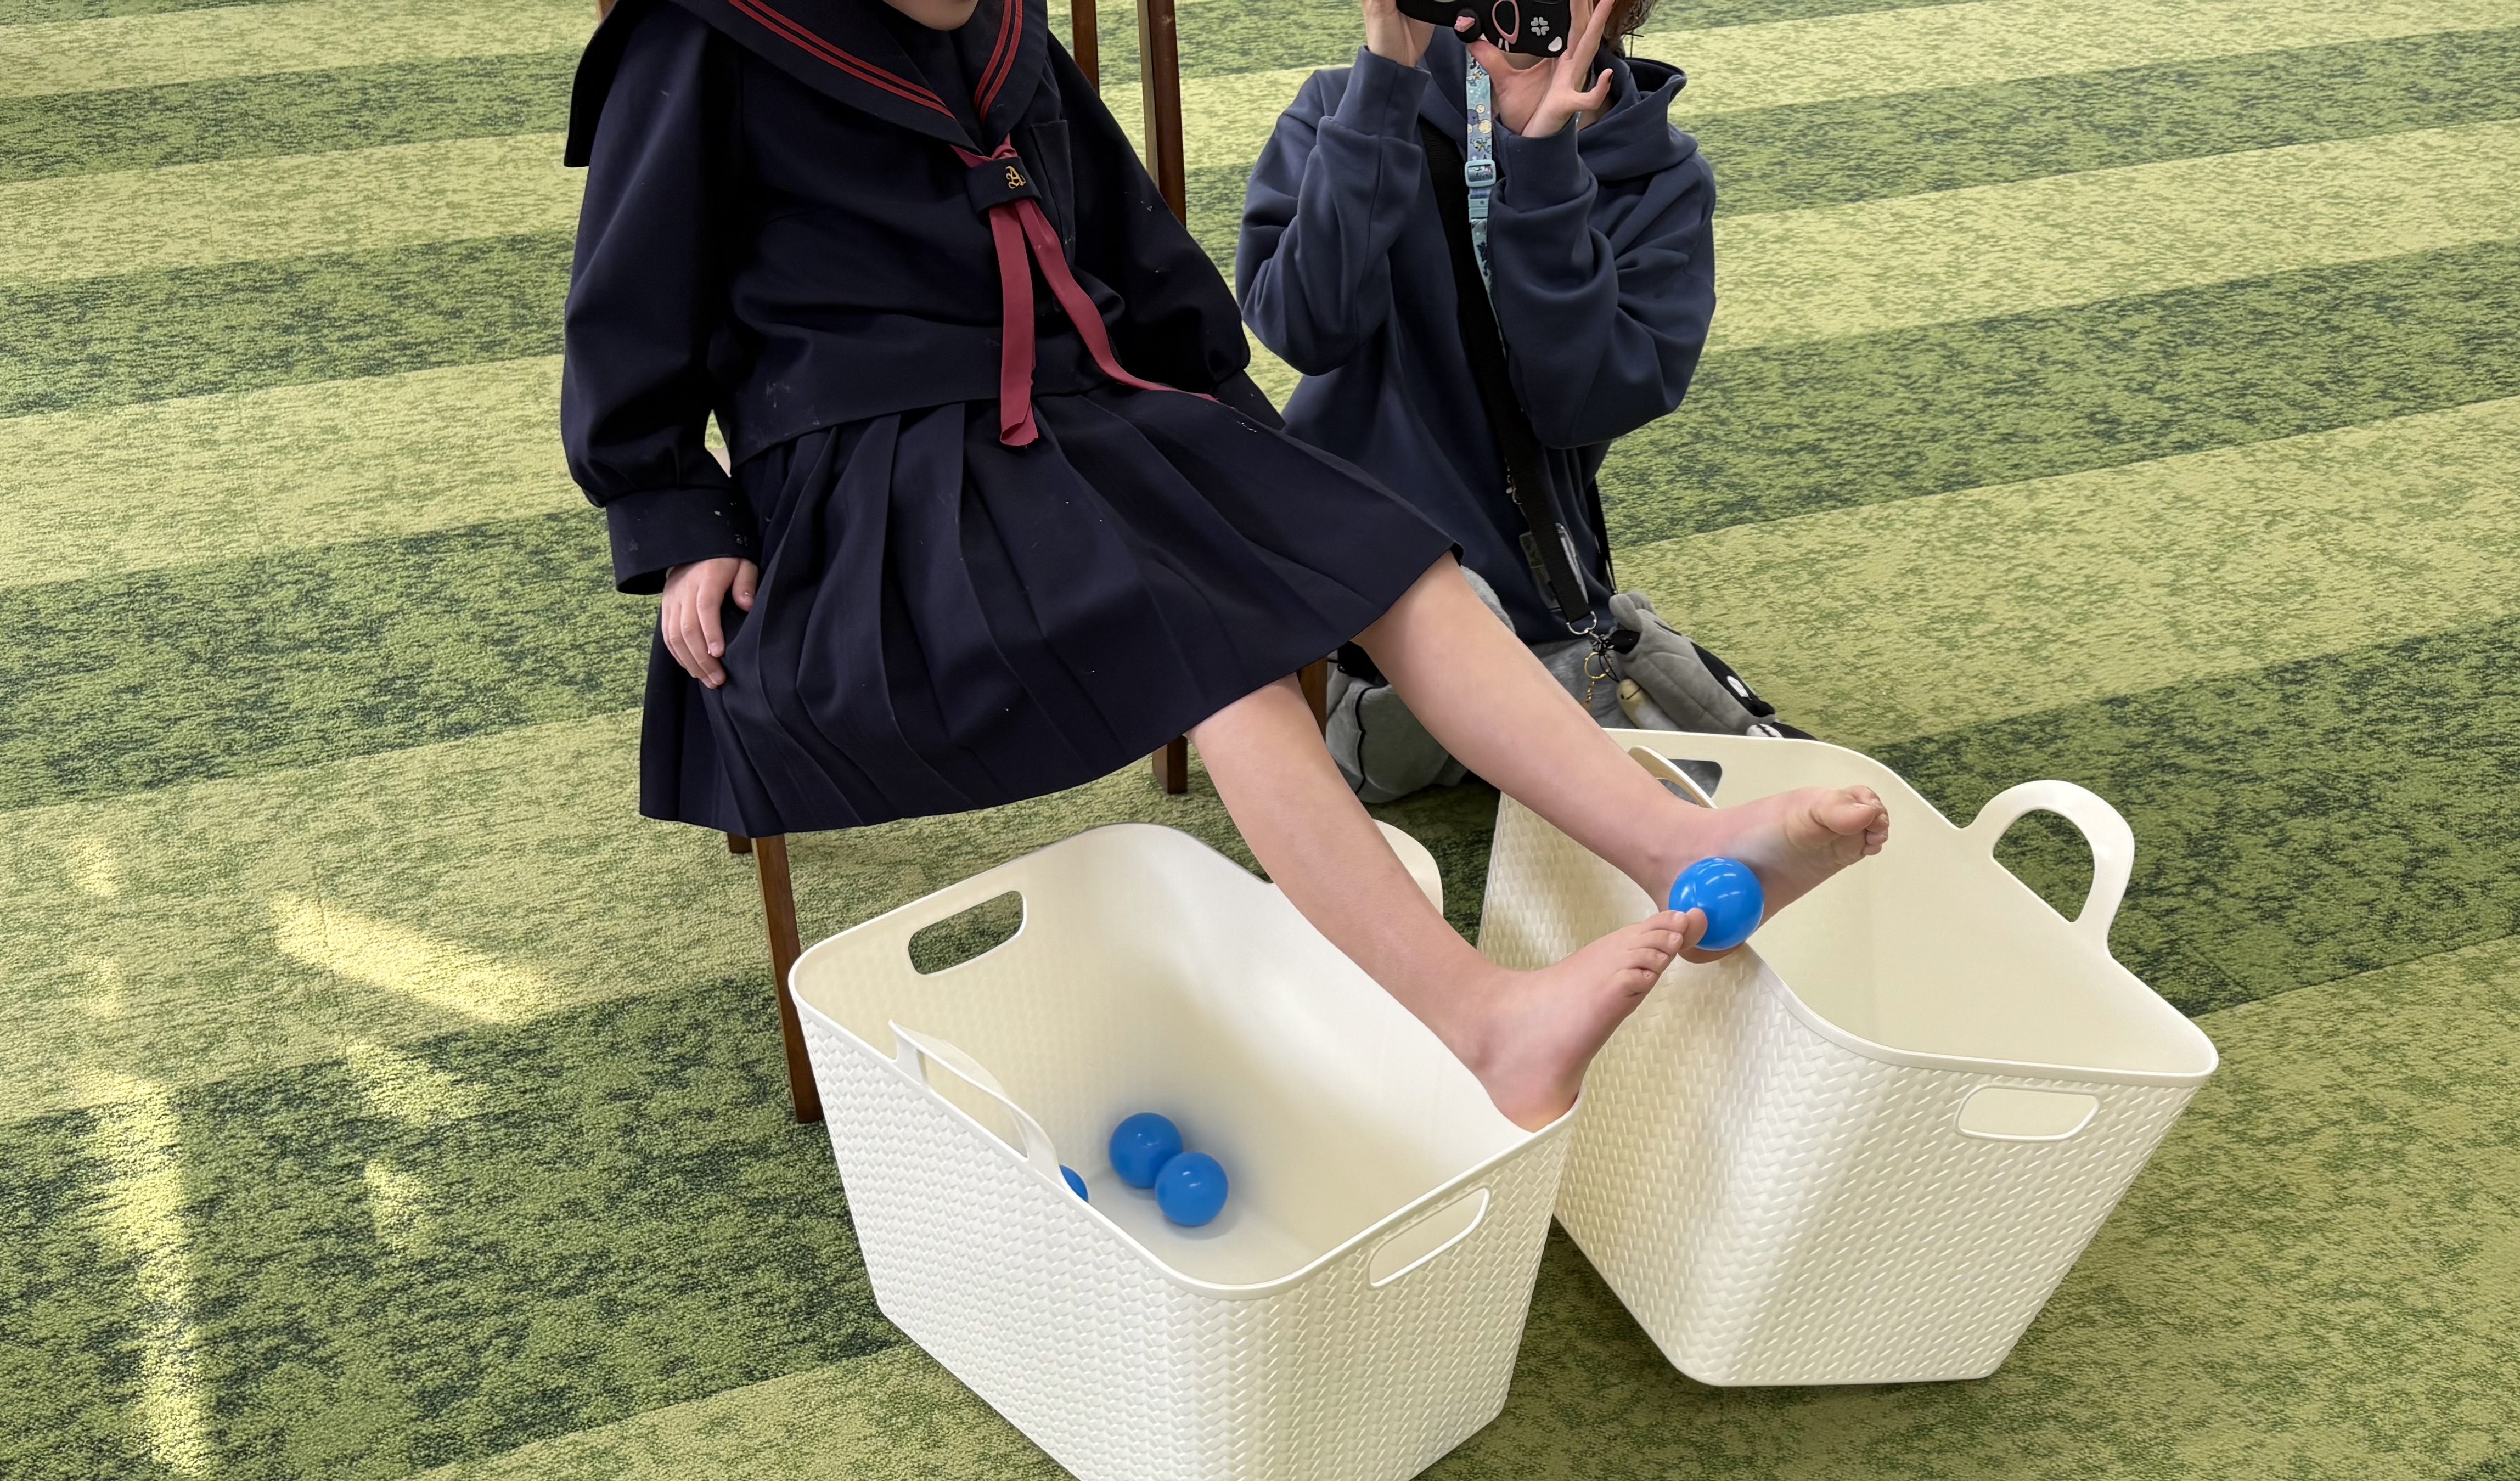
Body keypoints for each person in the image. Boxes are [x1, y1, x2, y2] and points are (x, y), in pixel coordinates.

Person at [560, 0, 1887, 1129]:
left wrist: (1234, 438)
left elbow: (1124, 237)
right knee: (1217, 646)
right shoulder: (701, 39)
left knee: (1389, 555)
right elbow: (630, 308)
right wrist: (677, 516)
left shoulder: (1003, 23)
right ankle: (1482, 1020)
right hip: (882, 475)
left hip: (1085, 405)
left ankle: (1675, 841)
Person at [1241, 0, 1766, 791]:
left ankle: (1505, 695)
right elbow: (1303, 326)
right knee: (1457, 628)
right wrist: (1383, 91)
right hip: (1351, 544)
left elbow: (1576, 406)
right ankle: (1451, 696)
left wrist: (1544, 164)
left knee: (1517, 652)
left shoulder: (1660, 180)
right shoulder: (1346, 106)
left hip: (1526, 568)